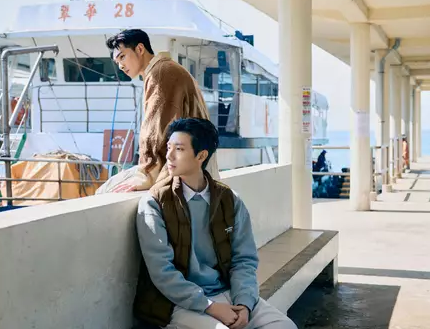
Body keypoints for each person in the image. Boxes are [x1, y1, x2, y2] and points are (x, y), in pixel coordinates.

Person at [134, 118, 297, 329]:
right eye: (169, 147)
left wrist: (244, 304)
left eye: (179, 149)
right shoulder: (155, 203)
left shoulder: (229, 200)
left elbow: (244, 259)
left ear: (201, 155)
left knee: (285, 326)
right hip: (177, 303)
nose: (169, 155)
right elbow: (161, 271)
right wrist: (209, 306)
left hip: (228, 293)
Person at [95, 29, 219, 194]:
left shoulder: (160, 73)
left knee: (105, 191)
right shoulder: (164, 69)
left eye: (122, 57)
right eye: (117, 62)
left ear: (140, 49)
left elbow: (156, 131)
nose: (121, 65)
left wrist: (147, 174)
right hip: (194, 164)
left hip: (184, 169)